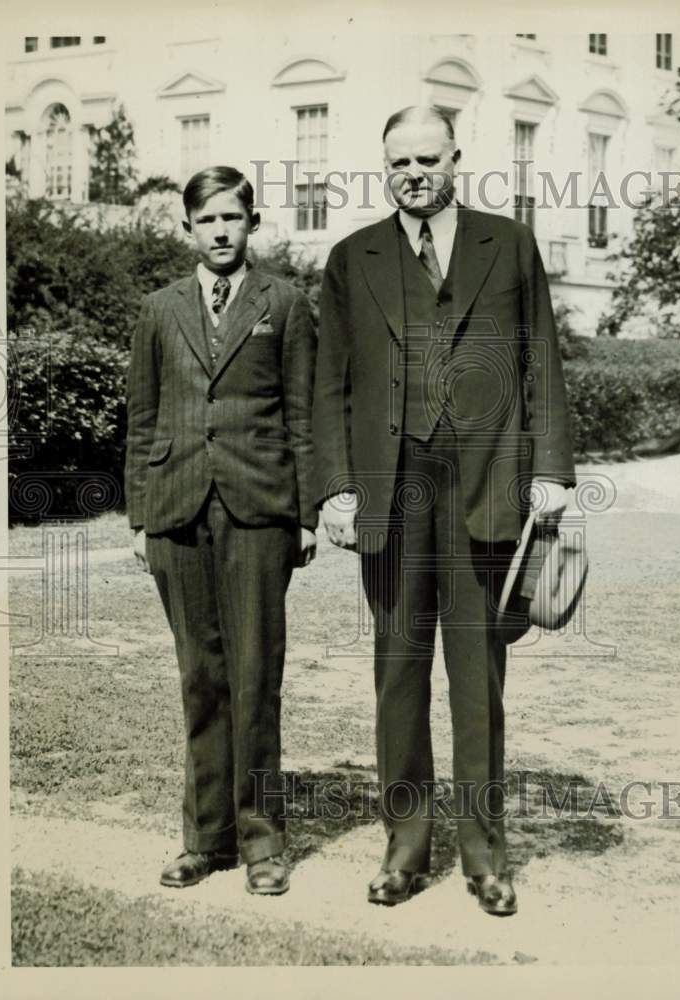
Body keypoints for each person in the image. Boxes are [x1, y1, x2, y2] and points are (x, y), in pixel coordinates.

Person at [312, 106, 575, 915]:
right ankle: (405, 848)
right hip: (390, 494)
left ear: (457, 157)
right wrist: (333, 488)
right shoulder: (351, 257)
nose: (414, 173)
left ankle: (485, 856)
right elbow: (329, 382)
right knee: (397, 676)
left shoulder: (510, 244)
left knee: (477, 682)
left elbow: (541, 365)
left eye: (428, 158)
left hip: (486, 490)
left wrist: (553, 469)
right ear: (382, 165)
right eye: (399, 162)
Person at [125, 165, 317, 895]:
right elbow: (142, 417)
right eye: (206, 221)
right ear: (187, 230)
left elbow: (301, 413)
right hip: (176, 507)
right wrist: (141, 515)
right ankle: (205, 840)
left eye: (232, 218)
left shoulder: (288, 304)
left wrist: (303, 512)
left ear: (252, 223)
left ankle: (262, 842)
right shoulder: (158, 309)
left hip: (260, 508)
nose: (220, 232)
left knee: (256, 675)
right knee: (200, 676)